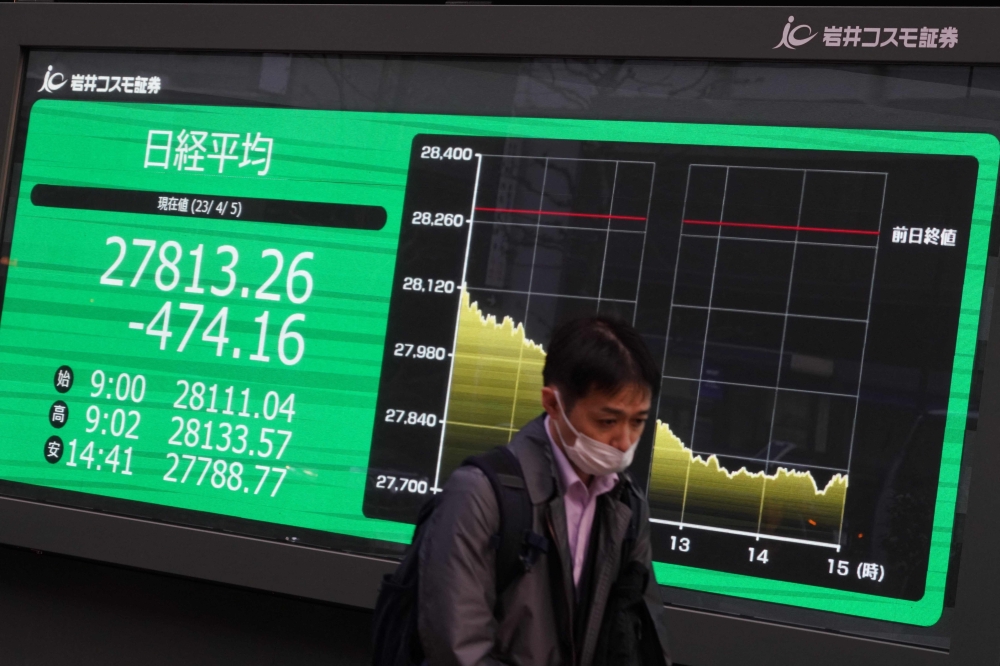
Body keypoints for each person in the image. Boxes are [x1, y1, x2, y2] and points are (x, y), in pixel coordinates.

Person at [418, 317, 671, 666]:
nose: (624, 441)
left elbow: (639, 637)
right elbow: (458, 651)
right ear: (552, 403)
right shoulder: (479, 495)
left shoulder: (627, 504)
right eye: (608, 421)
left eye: (638, 421)